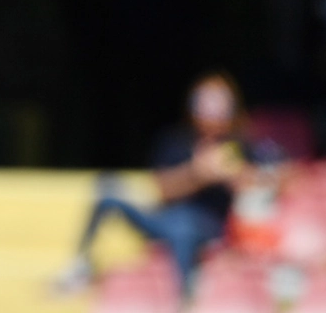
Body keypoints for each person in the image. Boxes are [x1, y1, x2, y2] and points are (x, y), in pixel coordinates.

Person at [60, 72, 268, 295]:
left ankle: (183, 301)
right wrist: (198, 173)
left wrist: (233, 173)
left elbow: (269, 179)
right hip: (165, 220)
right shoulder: (176, 141)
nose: (211, 113)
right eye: (205, 102)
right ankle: (80, 266)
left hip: (208, 228)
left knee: (184, 228)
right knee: (108, 189)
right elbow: (162, 189)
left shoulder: (239, 145)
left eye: (219, 103)